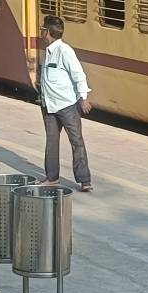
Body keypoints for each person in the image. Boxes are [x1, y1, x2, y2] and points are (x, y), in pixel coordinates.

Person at [37, 14, 92, 191]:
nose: (40, 32)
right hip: (49, 106)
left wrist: (83, 98)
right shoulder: (48, 51)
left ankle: (84, 180)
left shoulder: (64, 51)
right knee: (51, 142)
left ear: (48, 32)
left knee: (76, 141)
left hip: (67, 106)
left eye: (42, 29)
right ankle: (52, 177)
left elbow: (78, 75)